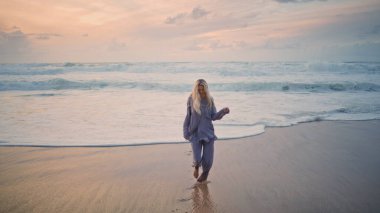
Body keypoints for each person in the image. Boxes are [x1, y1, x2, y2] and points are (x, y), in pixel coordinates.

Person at [183, 79, 230, 182]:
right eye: (198, 90)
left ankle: (205, 173)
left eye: (202, 89)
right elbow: (188, 116)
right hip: (194, 133)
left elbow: (214, 116)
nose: (201, 91)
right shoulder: (191, 98)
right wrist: (185, 131)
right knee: (197, 158)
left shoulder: (210, 100)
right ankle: (196, 167)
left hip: (208, 133)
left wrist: (223, 111)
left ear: (206, 89)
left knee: (208, 160)